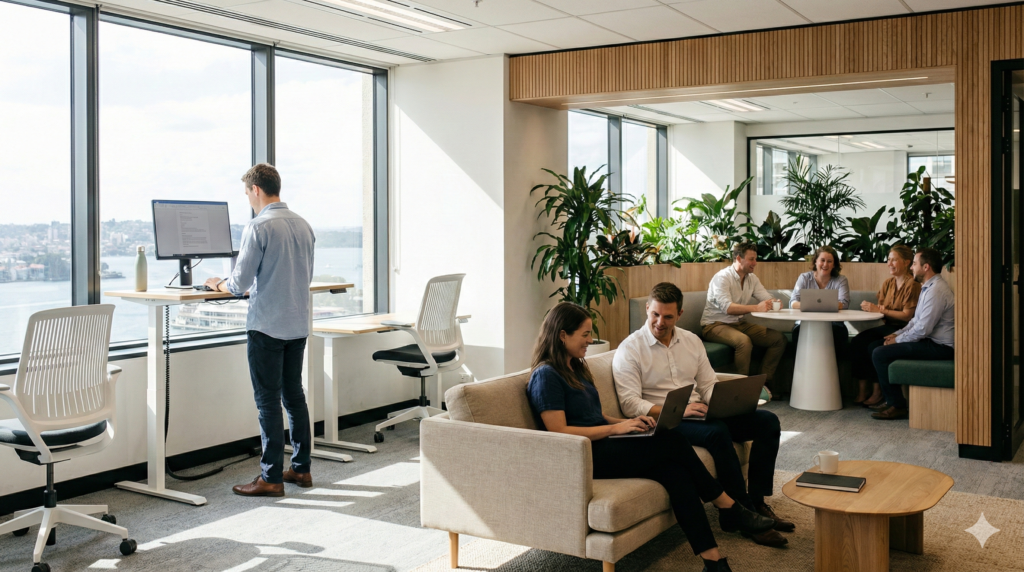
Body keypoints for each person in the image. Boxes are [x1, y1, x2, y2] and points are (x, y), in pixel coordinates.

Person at [527, 302, 775, 572]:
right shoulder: (546, 375)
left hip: (605, 443)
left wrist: (627, 423)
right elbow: (559, 432)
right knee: (673, 440)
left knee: (676, 474)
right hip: (587, 456)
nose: (590, 340)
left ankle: (714, 562)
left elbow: (593, 416)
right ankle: (728, 505)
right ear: (563, 335)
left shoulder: (576, 368)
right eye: (585, 334)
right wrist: (614, 429)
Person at [615, 283, 793, 549]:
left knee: (767, 422)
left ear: (680, 314)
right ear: (647, 309)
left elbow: (708, 385)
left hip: (700, 412)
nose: (660, 322)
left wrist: (726, 403)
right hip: (666, 421)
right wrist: (679, 410)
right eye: (655, 315)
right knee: (717, 432)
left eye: (668, 316)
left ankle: (757, 503)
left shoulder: (691, 341)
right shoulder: (630, 349)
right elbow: (630, 404)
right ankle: (741, 514)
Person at [204, 163, 317, 496]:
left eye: (247, 194)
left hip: (267, 326)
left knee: (268, 402)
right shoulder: (304, 224)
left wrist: (217, 283)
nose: (249, 201)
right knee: (294, 397)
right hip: (296, 324)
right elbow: (301, 276)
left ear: (255, 190)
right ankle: (301, 469)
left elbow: (238, 284)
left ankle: (270, 478)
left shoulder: (259, 226)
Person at [868, 247, 954, 420]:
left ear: (926, 267)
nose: (912, 268)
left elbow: (923, 329)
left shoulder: (936, 290)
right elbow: (915, 321)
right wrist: (896, 335)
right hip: (929, 341)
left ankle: (897, 405)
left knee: (879, 353)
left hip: (940, 347)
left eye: (914, 264)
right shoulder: (928, 287)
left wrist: (898, 340)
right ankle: (891, 400)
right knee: (876, 346)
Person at [700, 242, 787, 388]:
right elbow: (728, 308)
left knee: (778, 339)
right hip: (714, 325)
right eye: (751, 259)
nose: (755, 263)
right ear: (739, 259)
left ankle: (762, 384)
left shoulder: (751, 278)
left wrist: (774, 301)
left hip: (738, 324)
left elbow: (765, 297)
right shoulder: (722, 278)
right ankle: (741, 388)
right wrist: (756, 308)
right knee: (744, 342)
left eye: (755, 259)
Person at [850, 245, 922, 406]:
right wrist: (870, 309)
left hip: (904, 329)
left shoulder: (913, 285)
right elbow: (881, 311)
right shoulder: (888, 283)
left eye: (894, 259)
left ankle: (878, 392)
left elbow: (906, 316)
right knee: (858, 342)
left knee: (874, 347)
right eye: (889, 259)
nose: (890, 263)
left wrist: (881, 310)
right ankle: (863, 389)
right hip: (887, 326)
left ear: (906, 262)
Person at [790, 245, 850, 357]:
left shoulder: (841, 280)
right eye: (822, 260)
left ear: (834, 264)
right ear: (816, 261)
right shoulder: (804, 278)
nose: (825, 265)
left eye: (829, 261)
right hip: (805, 323)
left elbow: (844, 304)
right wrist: (824, 305)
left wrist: (812, 305)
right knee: (797, 333)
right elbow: (793, 302)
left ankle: (836, 373)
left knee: (840, 335)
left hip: (834, 325)